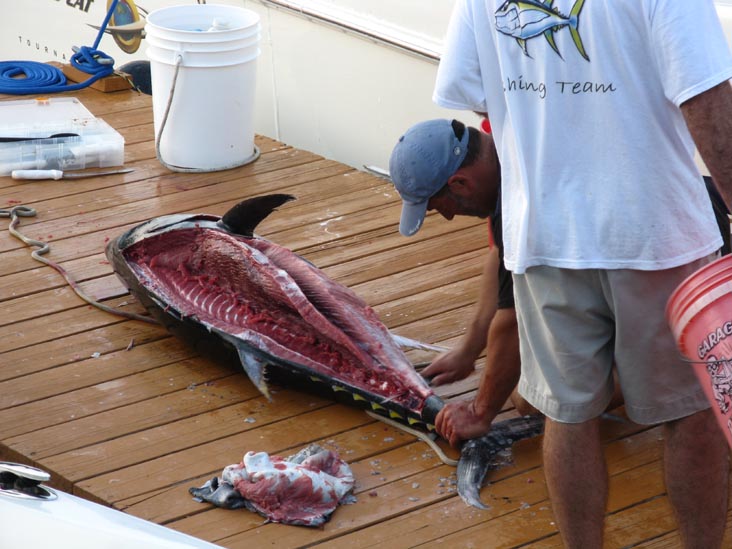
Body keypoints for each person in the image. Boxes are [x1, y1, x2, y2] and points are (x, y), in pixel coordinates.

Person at [390, 1, 732, 545]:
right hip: (654, 235)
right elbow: (706, 96)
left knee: (567, 416)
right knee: (689, 414)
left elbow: (476, 89)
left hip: (544, 236)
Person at [390, 118, 731, 444]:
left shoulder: (520, 194)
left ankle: (678, 373)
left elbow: (509, 324)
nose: (448, 216)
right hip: (676, 211)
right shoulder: (516, 151)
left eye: (440, 207)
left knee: (534, 397)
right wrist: (468, 350)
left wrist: (481, 413)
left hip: (679, 252)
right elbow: (502, 262)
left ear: (460, 183)